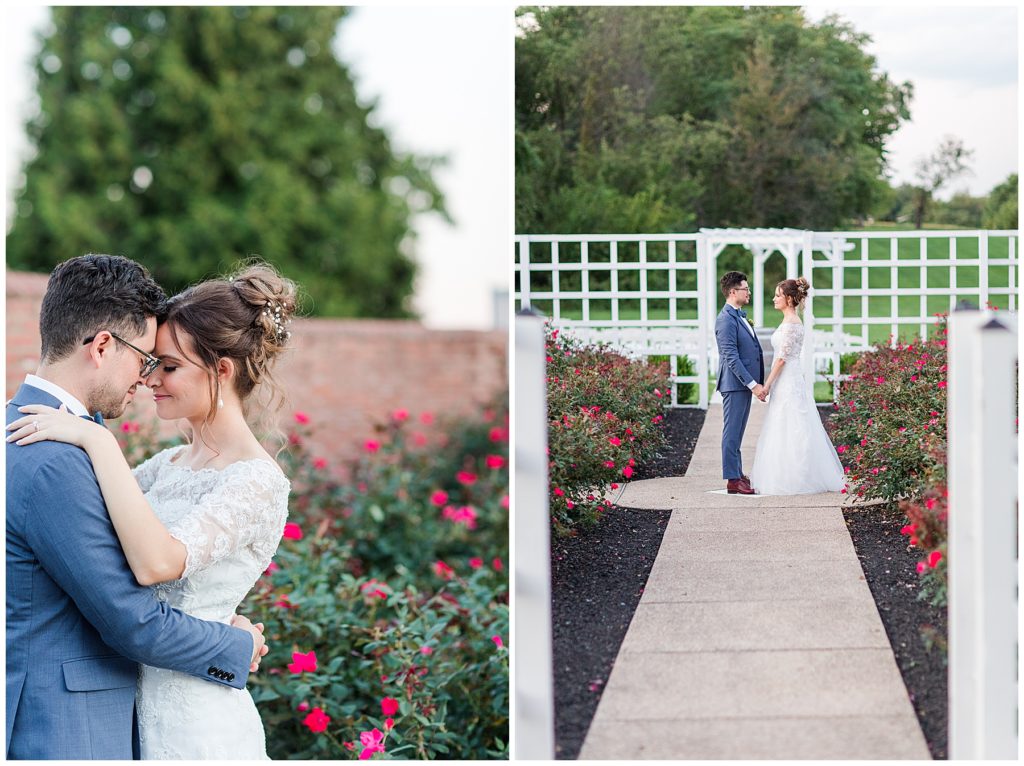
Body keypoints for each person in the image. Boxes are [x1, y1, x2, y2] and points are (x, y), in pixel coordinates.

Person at [7, 257, 295, 759]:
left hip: (194, 720)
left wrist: (96, 441)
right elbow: (132, 613)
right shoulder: (72, 456)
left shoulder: (254, 479)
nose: (148, 378)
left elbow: (152, 559)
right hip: (92, 718)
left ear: (221, 371)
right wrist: (237, 646)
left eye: (167, 366)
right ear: (102, 346)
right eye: (147, 360)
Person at [749, 277, 845, 495]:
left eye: (778, 295)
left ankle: (797, 477)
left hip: (788, 380)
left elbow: (782, 358)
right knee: (783, 424)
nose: (774, 299)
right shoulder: (788, 322)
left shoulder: (792, 324)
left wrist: (767, 386)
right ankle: (786, 472)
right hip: (786, 380)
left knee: (792, 424)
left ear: (790, 299)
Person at [714, 271, 766, 495]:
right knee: (732, 432)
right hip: (735, 385)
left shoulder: (738, 315)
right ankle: (733, 479)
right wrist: (753, 384)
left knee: (737, 432)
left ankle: (737, 472)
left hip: (741, 386)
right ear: (733, 292)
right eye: (746, 288)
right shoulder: (725, 319)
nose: (749, 292)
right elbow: (731, 357)